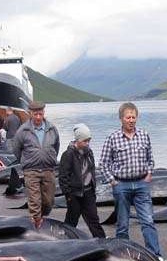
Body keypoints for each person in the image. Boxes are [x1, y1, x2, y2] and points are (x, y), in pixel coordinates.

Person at [99, 102, 165, 261]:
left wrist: (149, 172)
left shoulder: (144, 135)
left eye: (133, 117)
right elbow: (103, 163)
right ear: (121, 119)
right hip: (121, 185)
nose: (131, 120)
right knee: (122, 224)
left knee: (148, 221)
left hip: (142, 184)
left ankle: (155, 255)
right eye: (128, 117)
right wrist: (112, 181)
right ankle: (123, 255)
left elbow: (150, 158)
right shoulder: (113, 138)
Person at [10, 101, 59, 229]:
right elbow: (16, 149)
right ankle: (36, 224)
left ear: (44, 113)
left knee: (49, 201)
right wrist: (26, 161)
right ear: (30, 114)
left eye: (40, 114)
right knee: (34, 201)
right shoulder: (23, 130)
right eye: (35, 114)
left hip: (48, 169)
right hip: (31, 170)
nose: (38, 117)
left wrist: (50, 158)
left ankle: (41, 216)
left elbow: (56, 146)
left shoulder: (52, 129)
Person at [58, 123, 106, 238]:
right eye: (85, 141)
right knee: (72, 219)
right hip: (74, 193)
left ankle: (102, 241)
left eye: (89, 140)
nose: (87, 143)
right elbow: (63, 176)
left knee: (93, 219)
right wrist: (68, 195)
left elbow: (91, 170)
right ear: (78, 140)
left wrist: (93, 187)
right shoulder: (68, 154)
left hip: (88, 191)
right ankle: (65, 241)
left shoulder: (89, 153)